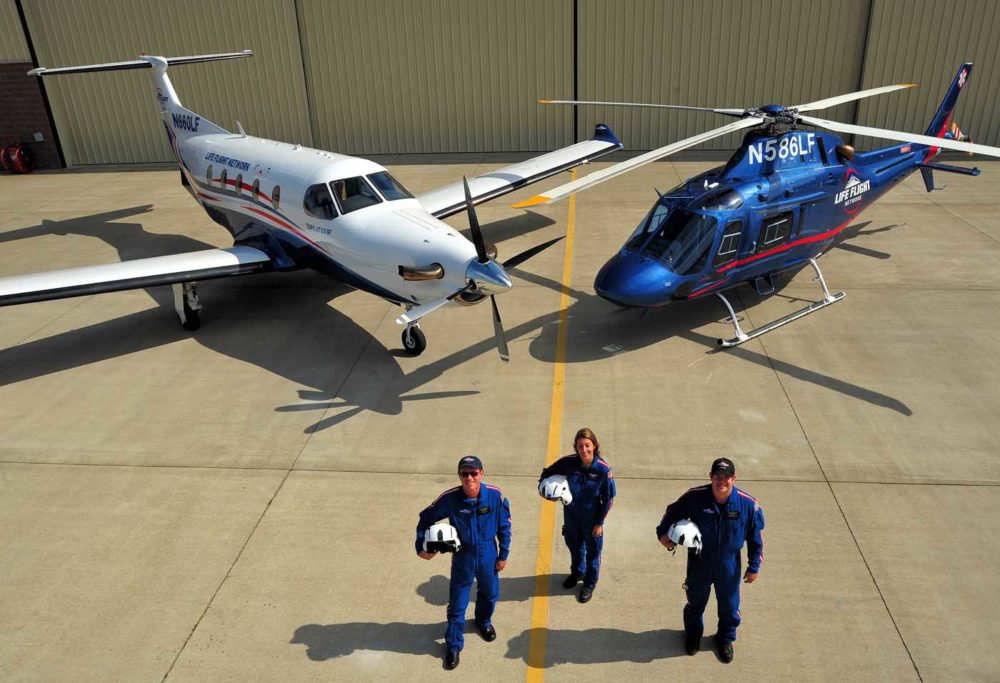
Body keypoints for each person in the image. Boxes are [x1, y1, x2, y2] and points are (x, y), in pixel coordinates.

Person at [656, 457, 764, 663]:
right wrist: (663, 535)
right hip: (699, 562)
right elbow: (671, 512)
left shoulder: (747, 504)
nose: (721, 481)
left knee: (730, 606)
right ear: (710, 477)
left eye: (726, 477)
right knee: (695, 602)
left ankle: (724, 638)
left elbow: (755, 538)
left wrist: (754, 566)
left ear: (734, 478)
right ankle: (693, 636)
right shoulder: (695, 497)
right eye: (717, 476)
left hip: (729, 566)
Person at [416, 455, 511, 670]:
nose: (469, 477)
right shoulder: (450, 499)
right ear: (459, 475)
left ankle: (483, 621)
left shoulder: (495, 496)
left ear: (482, 473)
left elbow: (505, 527)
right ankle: (454, 646)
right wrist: (422, 547)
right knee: (458, 604)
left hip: (488, 555)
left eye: (474, 473)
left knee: (490, 594)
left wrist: (503, 555)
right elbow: (425, 517)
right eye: (464, 473)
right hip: (463, 558)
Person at [538, 427, 616, 603]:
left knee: (593, 552)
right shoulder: (568, 463)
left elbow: (609, 498)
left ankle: (590, 582)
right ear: (576, 447)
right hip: (571, 515)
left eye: (587, 445)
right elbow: (547, 473)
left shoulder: (603, 470)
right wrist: (544, 490)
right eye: (580, 446)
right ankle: (577, 572)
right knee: (574, 546)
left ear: (594, 445)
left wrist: (599, 523)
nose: (584, 450)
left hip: (592, 518)